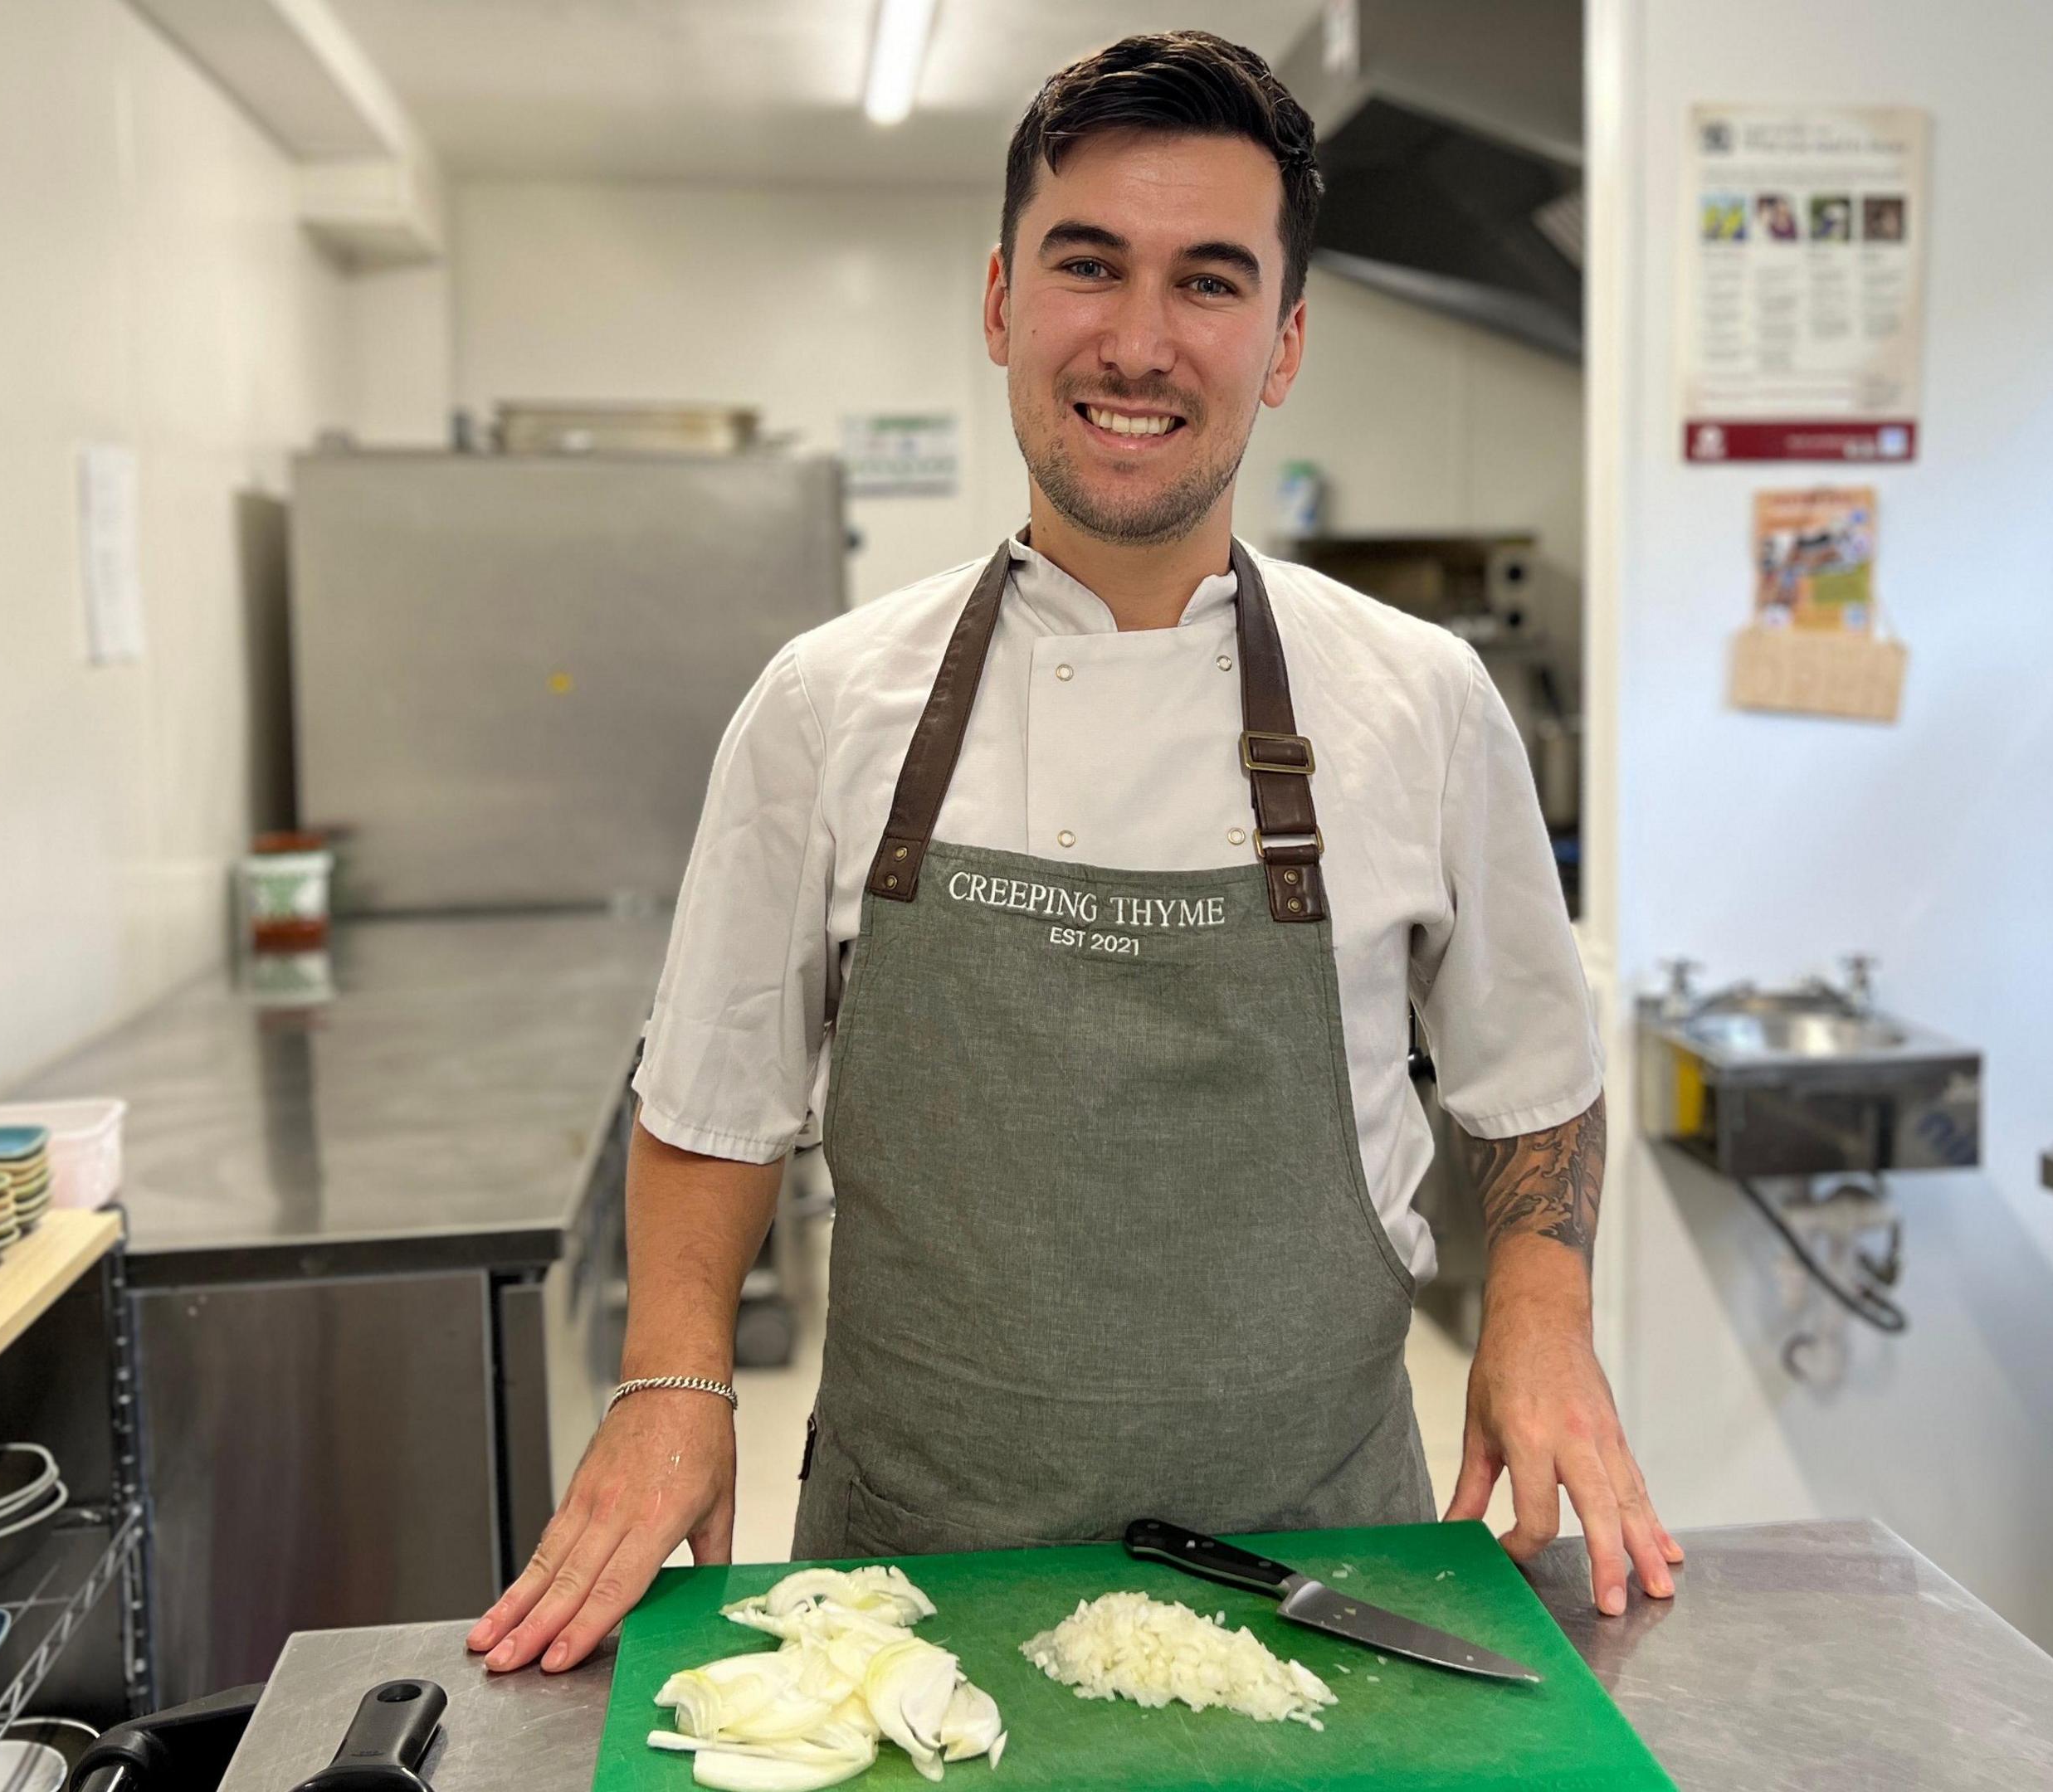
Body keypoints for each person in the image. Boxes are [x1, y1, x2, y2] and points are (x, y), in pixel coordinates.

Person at [468, 30, 1677, 1678]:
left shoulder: (1420, 704)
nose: (1139, 340)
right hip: (909, 1598)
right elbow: (712, 1097)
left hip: (1323, 1571)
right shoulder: (827, 708)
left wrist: (1542, 1324)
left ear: (1286, 339)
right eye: (1088, 267)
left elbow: (1533, 1078)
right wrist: (673, 1381)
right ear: (999, 304)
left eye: (1209, 282)